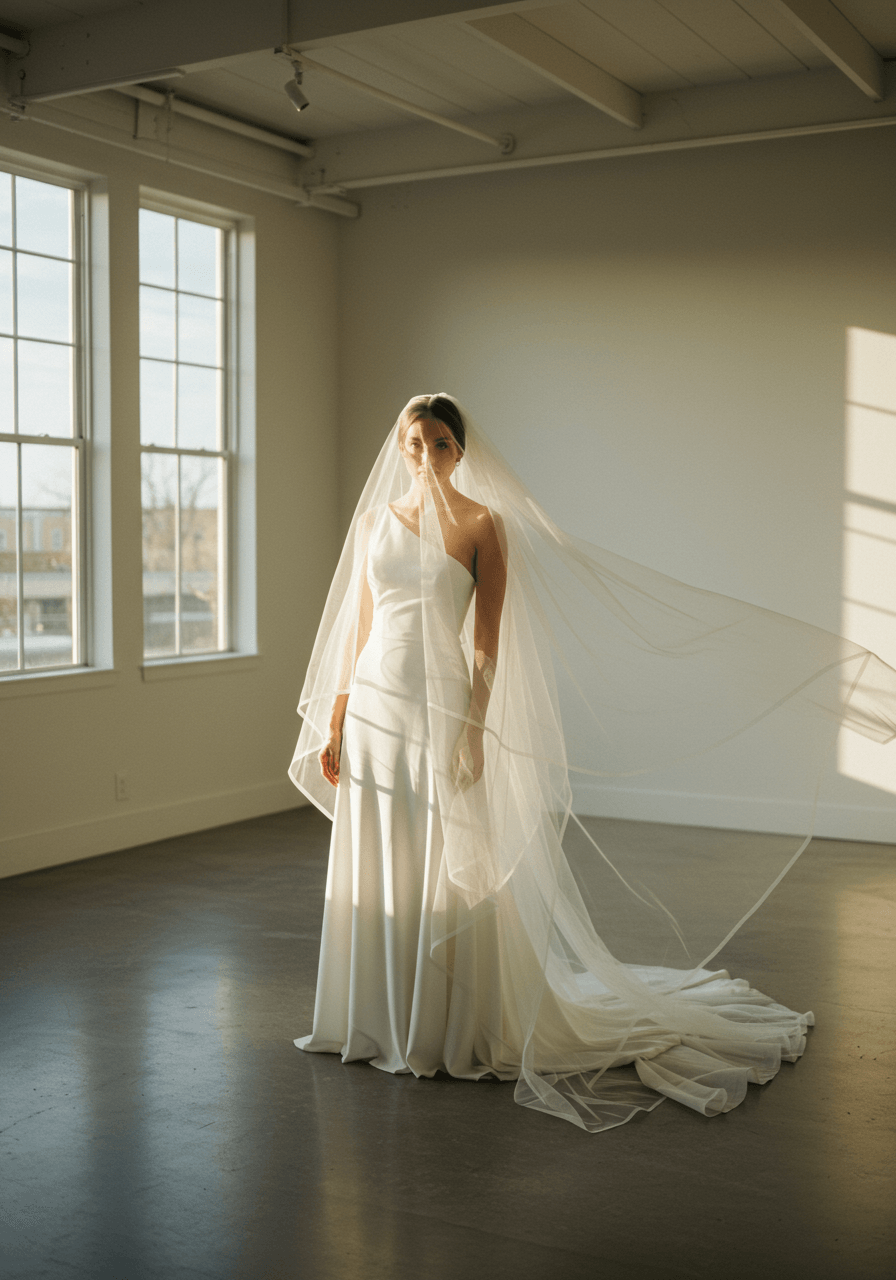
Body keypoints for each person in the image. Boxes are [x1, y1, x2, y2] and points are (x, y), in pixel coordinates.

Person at [289, 394, 896, 1133]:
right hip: (379, 706)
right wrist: (337, 715)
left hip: (439, 704)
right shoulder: (372, 525)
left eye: (439, 441)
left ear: (460, 449)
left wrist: (475, 728)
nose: (424, 455)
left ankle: (441, 1026)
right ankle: (373, 1018)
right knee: (383, 855)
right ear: (401, 447)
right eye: (413, 442)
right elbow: (357, 629)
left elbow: (485, 643)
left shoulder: (484, 525)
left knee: (442, 855)